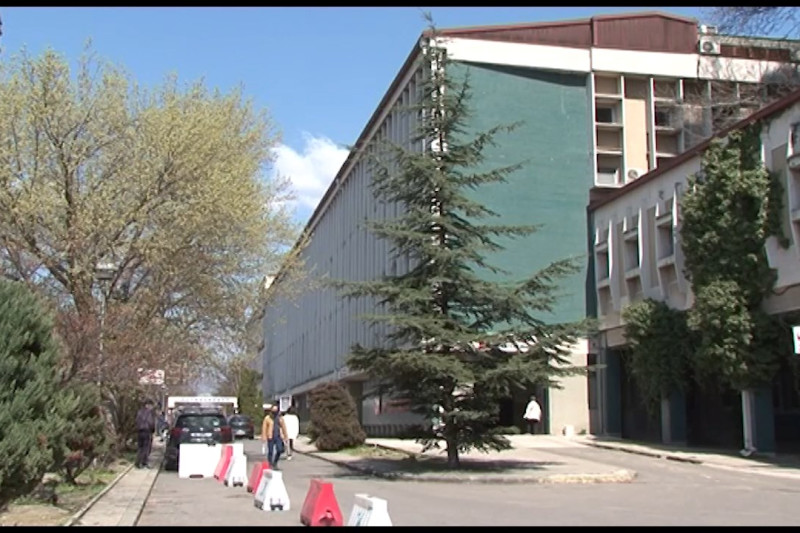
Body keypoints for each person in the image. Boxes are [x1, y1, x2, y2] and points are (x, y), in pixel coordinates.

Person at [261, 404, 288, 469]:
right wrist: (264, 436)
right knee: (270, 451)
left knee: (279, 450)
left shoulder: (280, 418)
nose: (274, 411)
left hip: (278, 436)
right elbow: (264, 428)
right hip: (270, 436)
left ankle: (275, 462)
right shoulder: (267, 418)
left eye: (276, 410)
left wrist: (285, 436)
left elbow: (284, 427)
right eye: (273, 410)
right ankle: (270, 463)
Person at [135, 398, 156, 469]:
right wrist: (153, 430)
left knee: (140, 447)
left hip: (139, 431)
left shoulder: (139, 412)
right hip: (147, 431)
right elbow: (151, 422)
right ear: (148, 405)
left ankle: (137, 462)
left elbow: (136, 421)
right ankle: (144, 462)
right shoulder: (149, 413)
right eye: (151, 405)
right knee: (146, 448)